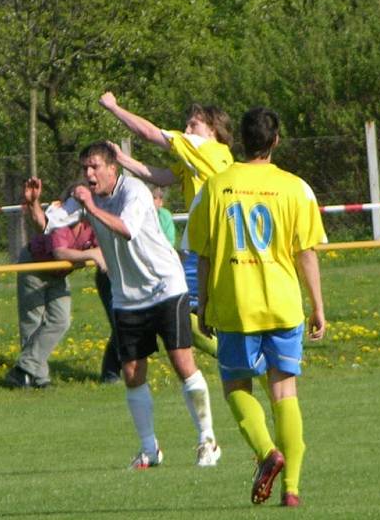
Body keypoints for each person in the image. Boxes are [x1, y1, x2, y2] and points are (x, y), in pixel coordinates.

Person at [188, 107, 327, 507]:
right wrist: (317, 306)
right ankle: (293, 490)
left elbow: (203, 253)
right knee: (285, 393)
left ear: (238, 142)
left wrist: (203, 304)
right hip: (283, 305)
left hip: (237, 305)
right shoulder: (295, 188)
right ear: (275, 141)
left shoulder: (215, 187)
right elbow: (306, 253)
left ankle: (268, 453)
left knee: (235, 387)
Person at [70, 141, 221, 469]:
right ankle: (149, 449)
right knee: (132, 372)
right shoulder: (86, 195)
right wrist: (35, 206)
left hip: (165, 287)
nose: (89, 174)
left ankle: (208, 440)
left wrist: (91, 208)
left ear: (113, 168)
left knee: (182, 363)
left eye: (95, 166)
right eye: (85, 168)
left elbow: (127, 229)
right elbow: (50, 222)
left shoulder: (135, 192)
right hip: (127, 297)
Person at [99, 92, 233, 357]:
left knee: (184, 309)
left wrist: (114, 108)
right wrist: (123, 160)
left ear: (213, 130)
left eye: (193, 124)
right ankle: (235, 355)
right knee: (201, 309)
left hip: (209, 244)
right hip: (212, 242)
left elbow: (149, 133)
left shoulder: (202, 147)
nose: (186, 130)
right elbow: (161, 177)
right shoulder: (207, 157)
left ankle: (230, 357)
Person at [5, 177, 116, 389]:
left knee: (60, 320)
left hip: (59, 273)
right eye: (77, 198)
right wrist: (92, 254)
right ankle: (38, 378)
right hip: (35, 266)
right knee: (33, 321)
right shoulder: (61, 220)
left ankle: (23, 369)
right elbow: (59, 251)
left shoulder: (93, 223)